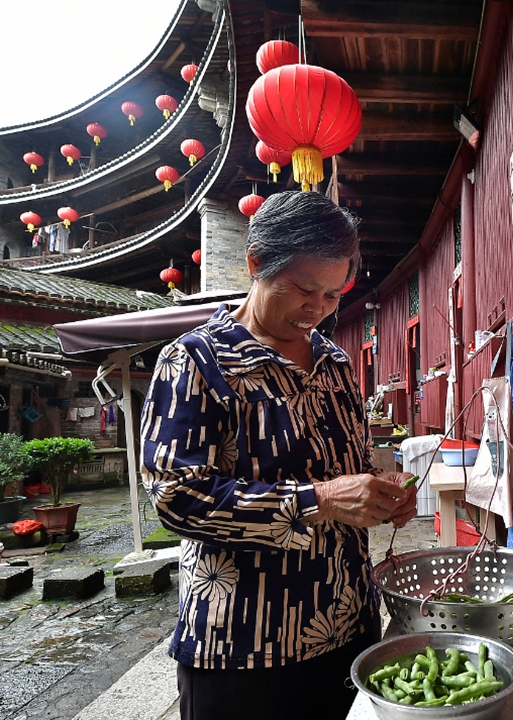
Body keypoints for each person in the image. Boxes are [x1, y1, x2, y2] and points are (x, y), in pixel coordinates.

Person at [140, 190, 418, 720]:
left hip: (348, 627)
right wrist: (319, 500)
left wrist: (382, 496)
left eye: (334, 295)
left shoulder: (335, 364)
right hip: (243, 646)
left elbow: (349, 474)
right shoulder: (197, 361)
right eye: (303, 289)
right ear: (256, 263)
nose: (317, 309)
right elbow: (177, 498)